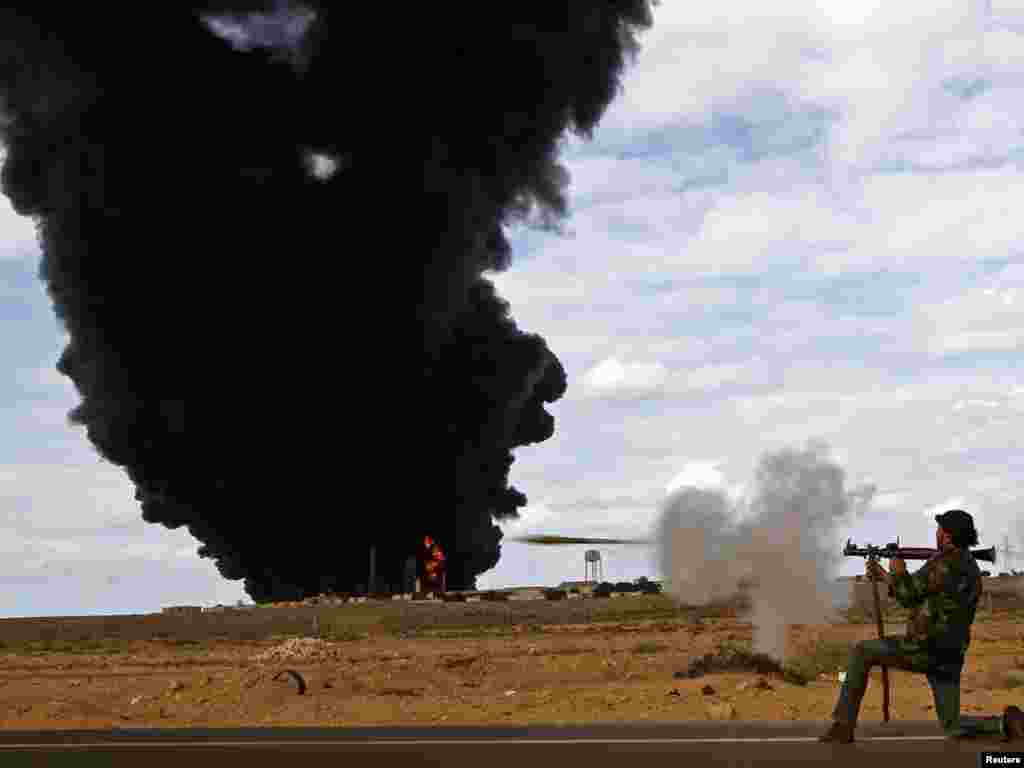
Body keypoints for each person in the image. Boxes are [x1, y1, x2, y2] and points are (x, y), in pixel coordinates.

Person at [820, 509, 1024, 743]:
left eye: (940, 529)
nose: (936, 533)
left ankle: (842, 727)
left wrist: (897, 570)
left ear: (947, 536)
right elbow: (921, 593)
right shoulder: (970, 567)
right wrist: (887, 576)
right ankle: (1005, 724)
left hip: (923, 649)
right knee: (952, 725)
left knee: (862, 652)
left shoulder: (942, 565)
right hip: (950, 653)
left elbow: (907, 595)